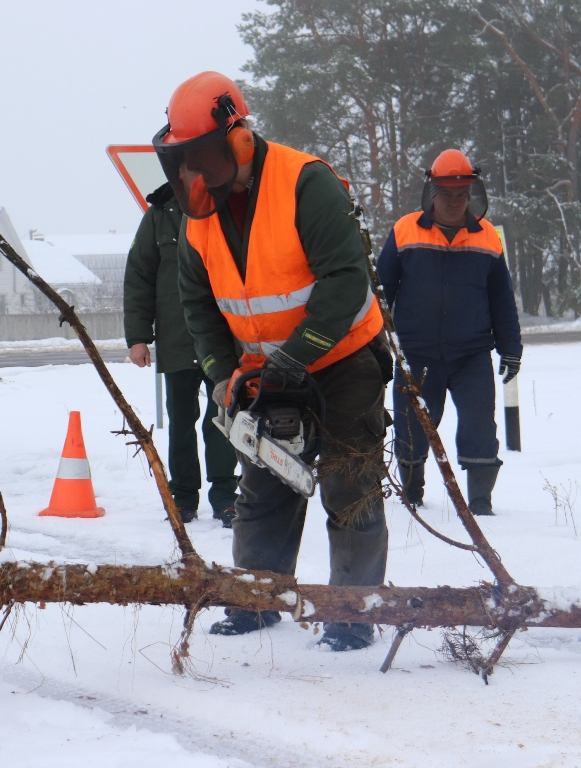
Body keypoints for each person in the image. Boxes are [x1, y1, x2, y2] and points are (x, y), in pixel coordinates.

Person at [155, 71, 392, 651]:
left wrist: (297, 355)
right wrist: (221, 374)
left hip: (342, 358)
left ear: (237, 138)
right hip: (265, 369)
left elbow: (344, 279)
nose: (197, 177)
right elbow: (198, 303)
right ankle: (254, 603)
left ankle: (352, 614)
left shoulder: (304, 183)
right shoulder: (199, 217)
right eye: (186, 163)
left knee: (348, 482)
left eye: (205, 159)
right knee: (263, 485)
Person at [376, 149, 522, 515]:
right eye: (446, 194)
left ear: (472, 194)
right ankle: (411, 494)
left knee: (479, 428)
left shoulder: (488, 237)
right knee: (411, 428)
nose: (454, 202)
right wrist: (372, 342)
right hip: (416, 353)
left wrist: (510, 347)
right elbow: (378, 293)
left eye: (461, 195)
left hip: (471, 355)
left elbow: (502, 298)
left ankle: (480, 502)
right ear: (432, 193)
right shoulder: (404, 230)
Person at [124, 182, 240, 526]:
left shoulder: (225, 206)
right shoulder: (158, 216)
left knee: (222, 420)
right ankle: (184, 498)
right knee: (180, 422)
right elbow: (138, 277)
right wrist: (139, 337)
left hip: (222, 340)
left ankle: (225, 497)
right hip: (176, 339)